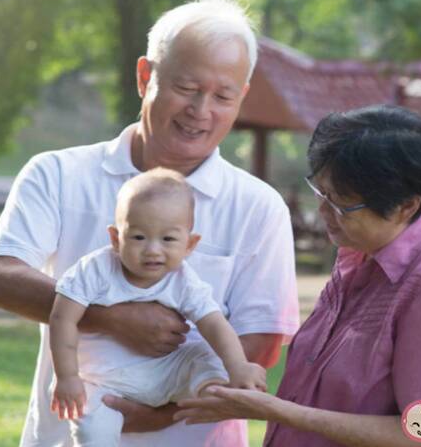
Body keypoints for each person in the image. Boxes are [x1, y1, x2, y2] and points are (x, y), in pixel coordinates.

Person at [0, 0, 299, 447]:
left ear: (241, 97)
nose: (201, 110)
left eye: (223, 96)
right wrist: (110, 317)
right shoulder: (58, 173)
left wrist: (160, 415)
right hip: (67, 433)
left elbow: (262, 342)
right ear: (145, 76)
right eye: (187, 88)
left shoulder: (258, 206)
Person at [176, 105, 421, 447]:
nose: (323, 211)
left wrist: (279, 411)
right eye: (321, 193)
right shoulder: (359, 253)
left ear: (406, 206)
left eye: (342, 204)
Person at [50, 168, 266, 446]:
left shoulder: (183, 280)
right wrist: (66, 376)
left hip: (166, 373)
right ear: (116, 238)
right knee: (92, 425)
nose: (153, 249)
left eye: (168, 239)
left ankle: (216, 392)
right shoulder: (94, 270)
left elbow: (213, 322)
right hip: (101, 379)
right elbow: (62, 319)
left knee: (205, 352)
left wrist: (238, 366)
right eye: (139, 237)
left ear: (190, 244)